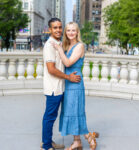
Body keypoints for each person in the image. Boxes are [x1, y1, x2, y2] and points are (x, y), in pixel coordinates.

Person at [52, 22, 99, 150]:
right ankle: (78, 141)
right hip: (68, 82)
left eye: (73, 30)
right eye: (68, 30)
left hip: (75, 82)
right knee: (71, 111)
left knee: (75, 112)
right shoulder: (67, 45)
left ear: (77, 32)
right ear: (66, 32)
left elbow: (67, 63)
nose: (71, 33)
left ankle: (88, 136)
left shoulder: (80, 46)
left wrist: (59, 49)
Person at [42, 18, 81, 150]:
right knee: (49, 117)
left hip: (60, 87)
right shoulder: (49, 45)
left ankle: (47, 141)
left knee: (52, 116)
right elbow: (51, 69)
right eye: (55, 27)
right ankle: (46, 146)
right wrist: (68, 77)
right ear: (50, 30)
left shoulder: (58, 43)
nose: (58, 30)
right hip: (53, 88)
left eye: (59, 27)